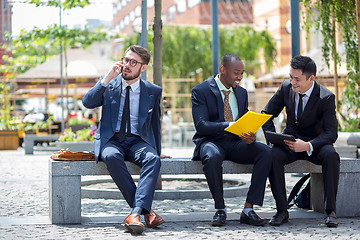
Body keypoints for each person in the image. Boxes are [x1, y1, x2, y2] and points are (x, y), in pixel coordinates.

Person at [82, 45, 166, 234]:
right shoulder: (109, 84)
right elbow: (87, 103)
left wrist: (157, 149)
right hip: (112, 140)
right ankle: (145, 212)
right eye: (126, 60)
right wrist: (106, 78)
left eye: (133, 62)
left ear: (143, 68)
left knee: (153, 159)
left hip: (137, 141)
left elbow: (155, 124)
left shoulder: (153, 91)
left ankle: (135, 213)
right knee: (111, 156)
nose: (127, 65)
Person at [191, 53, 272, 227]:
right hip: (211, 142)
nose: (240, 77)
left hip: (236, 143)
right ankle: (220, 209)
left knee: (266, 152)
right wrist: (229, 125)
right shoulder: (201, 90)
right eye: (236, 72)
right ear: (222, 69)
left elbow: (243, 121)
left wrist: (249, 134)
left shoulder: (241, 93)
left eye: (242, 73)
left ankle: (248, 209)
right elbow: (201, 125)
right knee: (211, 158)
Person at [261, 55, 340, 228]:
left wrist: (308, 145)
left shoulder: (326, 97)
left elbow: (331, 133)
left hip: (315, 145)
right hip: (289, 143)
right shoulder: (285, 87)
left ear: (311, 78)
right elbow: (265, 114)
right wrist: (273, 138)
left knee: (331, 155)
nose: (292, 82)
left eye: (297, 79)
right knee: (272, 154)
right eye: (290, 76)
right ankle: (282, 210)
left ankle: (330, 211)